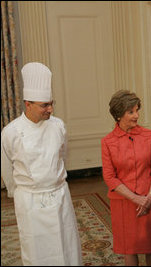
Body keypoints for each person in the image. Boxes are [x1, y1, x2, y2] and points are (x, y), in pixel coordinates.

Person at [1, 62, 82, 265]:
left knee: (67, 246)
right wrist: (20, 191)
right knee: (37, 252)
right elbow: (6, 169)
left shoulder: (58, 126)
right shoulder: (10, 132)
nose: (50, 109)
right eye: (44, 105)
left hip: (60, 195)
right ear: (28, 104)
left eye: (51, 103)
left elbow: (63, 156)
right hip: (30, 201)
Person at [101, 90, 151, 266]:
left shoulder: (148, 135)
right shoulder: (108, 142)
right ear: (118, 114)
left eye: (137, 110)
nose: (136, 115)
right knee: (129, 249)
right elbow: (109, 177)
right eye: (131, 112)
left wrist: (149, 197)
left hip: (149, 198)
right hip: (124, 202)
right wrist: (136, 198)